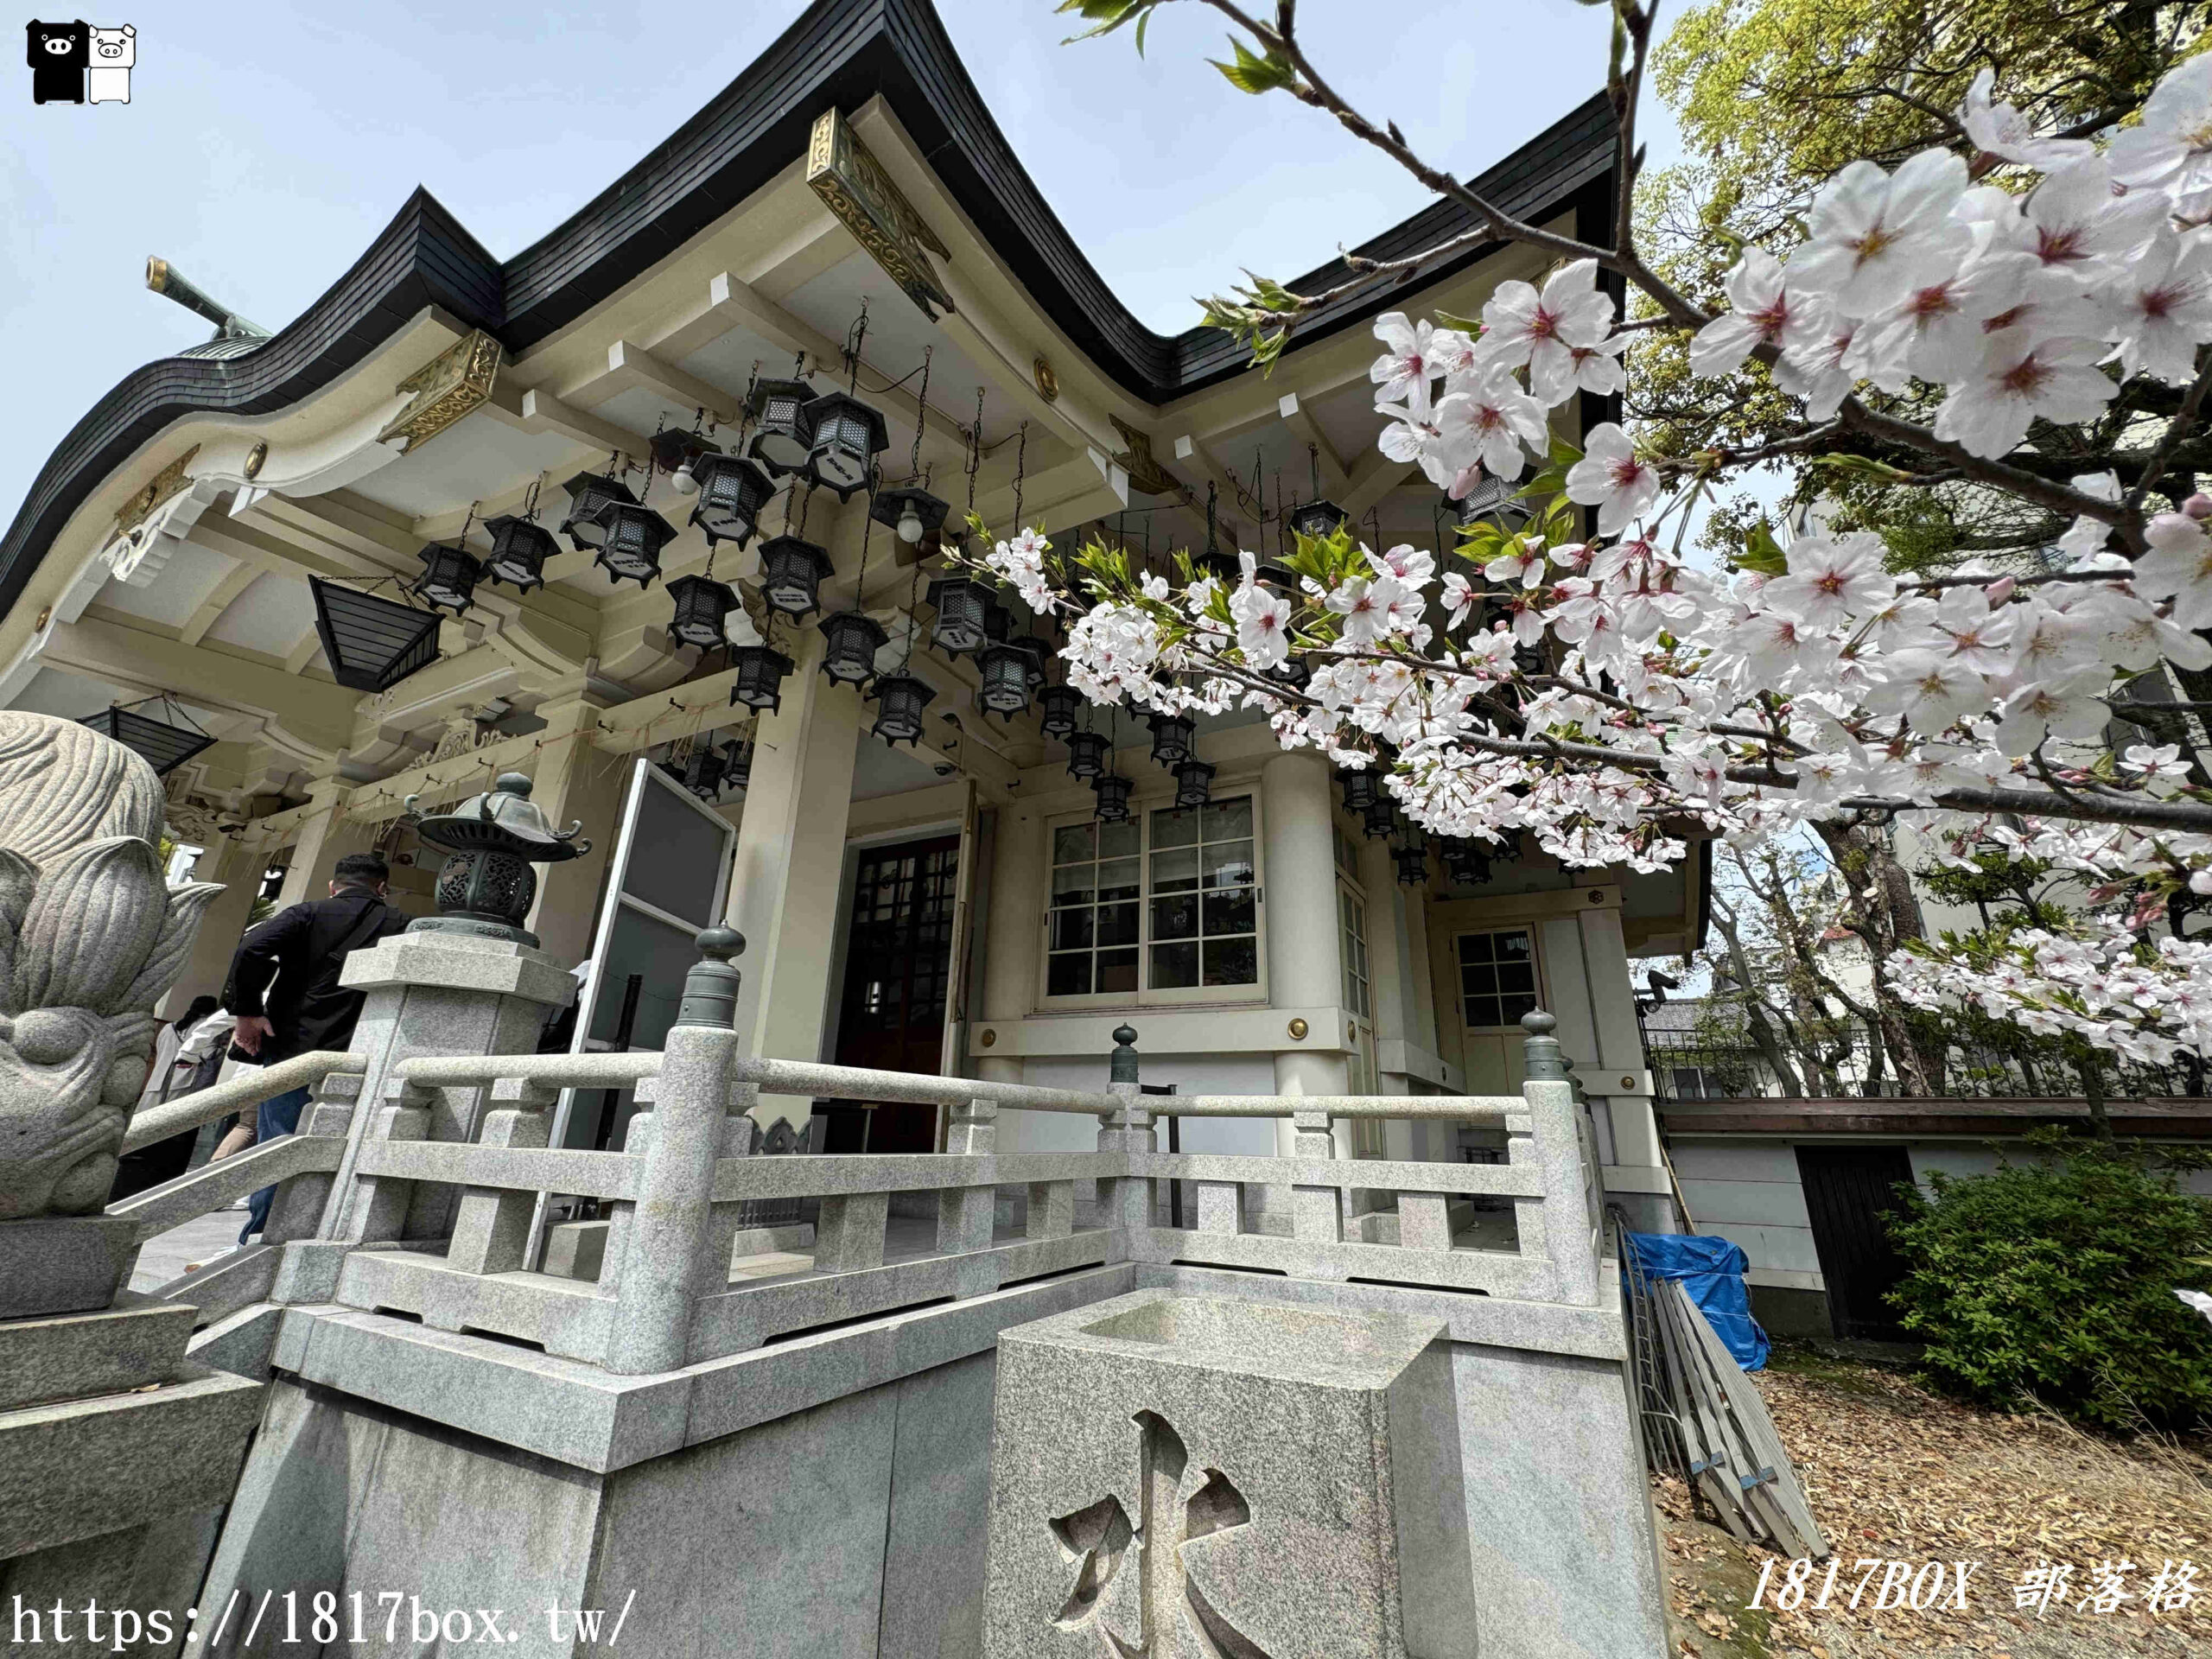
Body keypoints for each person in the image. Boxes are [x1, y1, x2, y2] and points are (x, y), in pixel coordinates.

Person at [221, 850, 408, 1242]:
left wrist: (248, 1013)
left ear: (333, 885)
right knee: (345, 1145)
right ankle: (323, 1230)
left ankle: (260, 1235)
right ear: (383, 888)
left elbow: (251, 948)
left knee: (279, 1141)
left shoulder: (306, 913)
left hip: (291, 1046)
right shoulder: (399, 923)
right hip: (361, 1051)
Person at [108, 994, 221, 1202]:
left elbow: (159, 1053)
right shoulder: (208, 1027)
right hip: (184, 1083)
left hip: (156, 1083)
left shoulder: (169, 1028)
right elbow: (209, 1055)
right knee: (174, 1131)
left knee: (146, 1124)